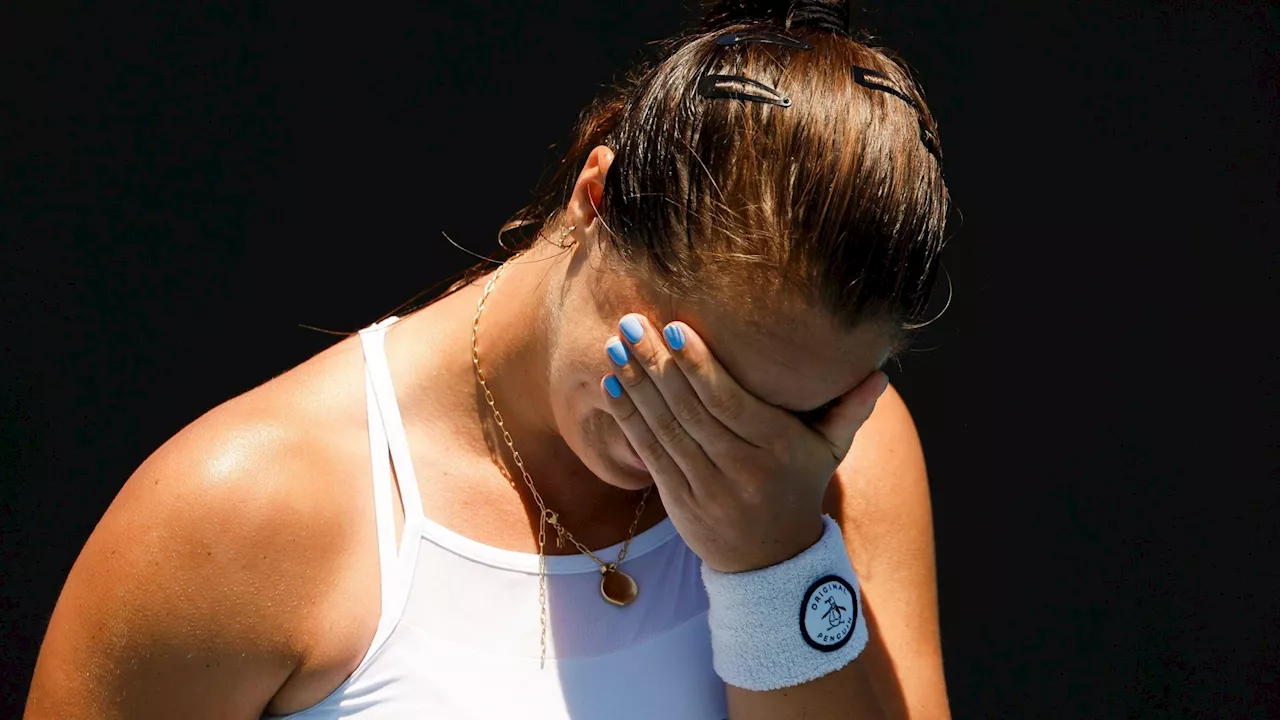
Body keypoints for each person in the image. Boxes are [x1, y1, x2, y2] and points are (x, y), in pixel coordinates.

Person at [25, 1, 952, 717]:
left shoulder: (841, 460)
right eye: (682, 371)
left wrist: (774, 561)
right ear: (597, 196)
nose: (725, 451)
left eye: (780, 414)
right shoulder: (236, 515)